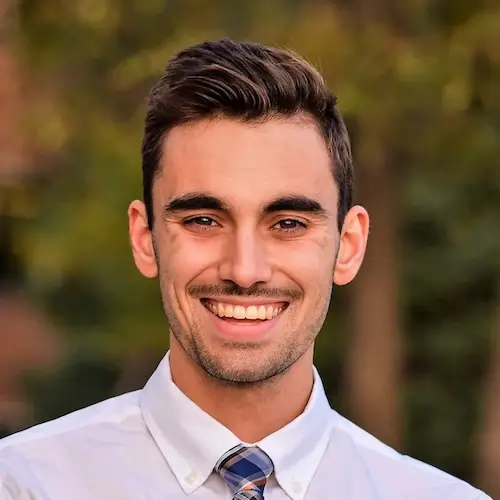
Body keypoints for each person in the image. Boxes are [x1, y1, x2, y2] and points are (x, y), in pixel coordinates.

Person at [0, 39, 490, 500]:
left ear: (349, 246)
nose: (245, 269)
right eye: (203, 220)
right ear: (144, 238)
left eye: (289, 223)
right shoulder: (24, 485)